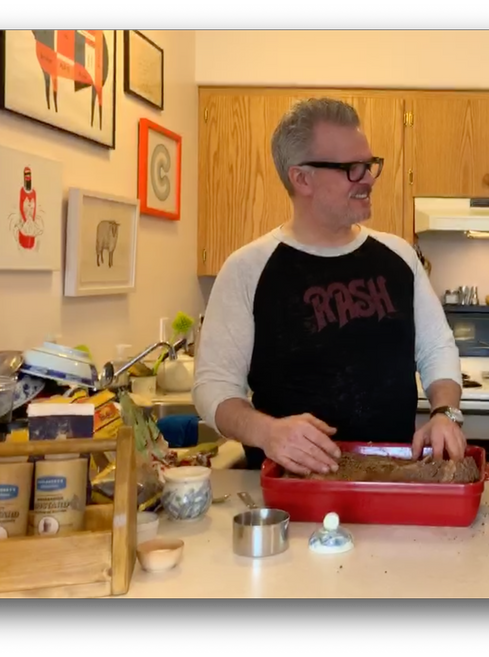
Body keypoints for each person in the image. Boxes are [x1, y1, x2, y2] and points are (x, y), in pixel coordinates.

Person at [192, 98, 466, 475]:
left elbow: (436, 349)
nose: (368, 178)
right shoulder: (247, 269)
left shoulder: (399, 257)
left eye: (369, 165)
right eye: (351, 168)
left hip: (391, 482)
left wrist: (444, 413)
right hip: (289, 492)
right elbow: (213, 388)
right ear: (301, 178)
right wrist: (268, 431)